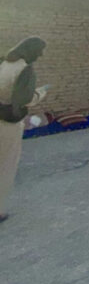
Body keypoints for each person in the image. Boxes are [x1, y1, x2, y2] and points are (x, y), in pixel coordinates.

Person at [0, 37, 46, 223]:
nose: (40, 55)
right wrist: (40, 93)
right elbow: (24, 99)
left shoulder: (4, 63)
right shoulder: (24, 69)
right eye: (39, 51)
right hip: (7, 123)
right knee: (5, 166)